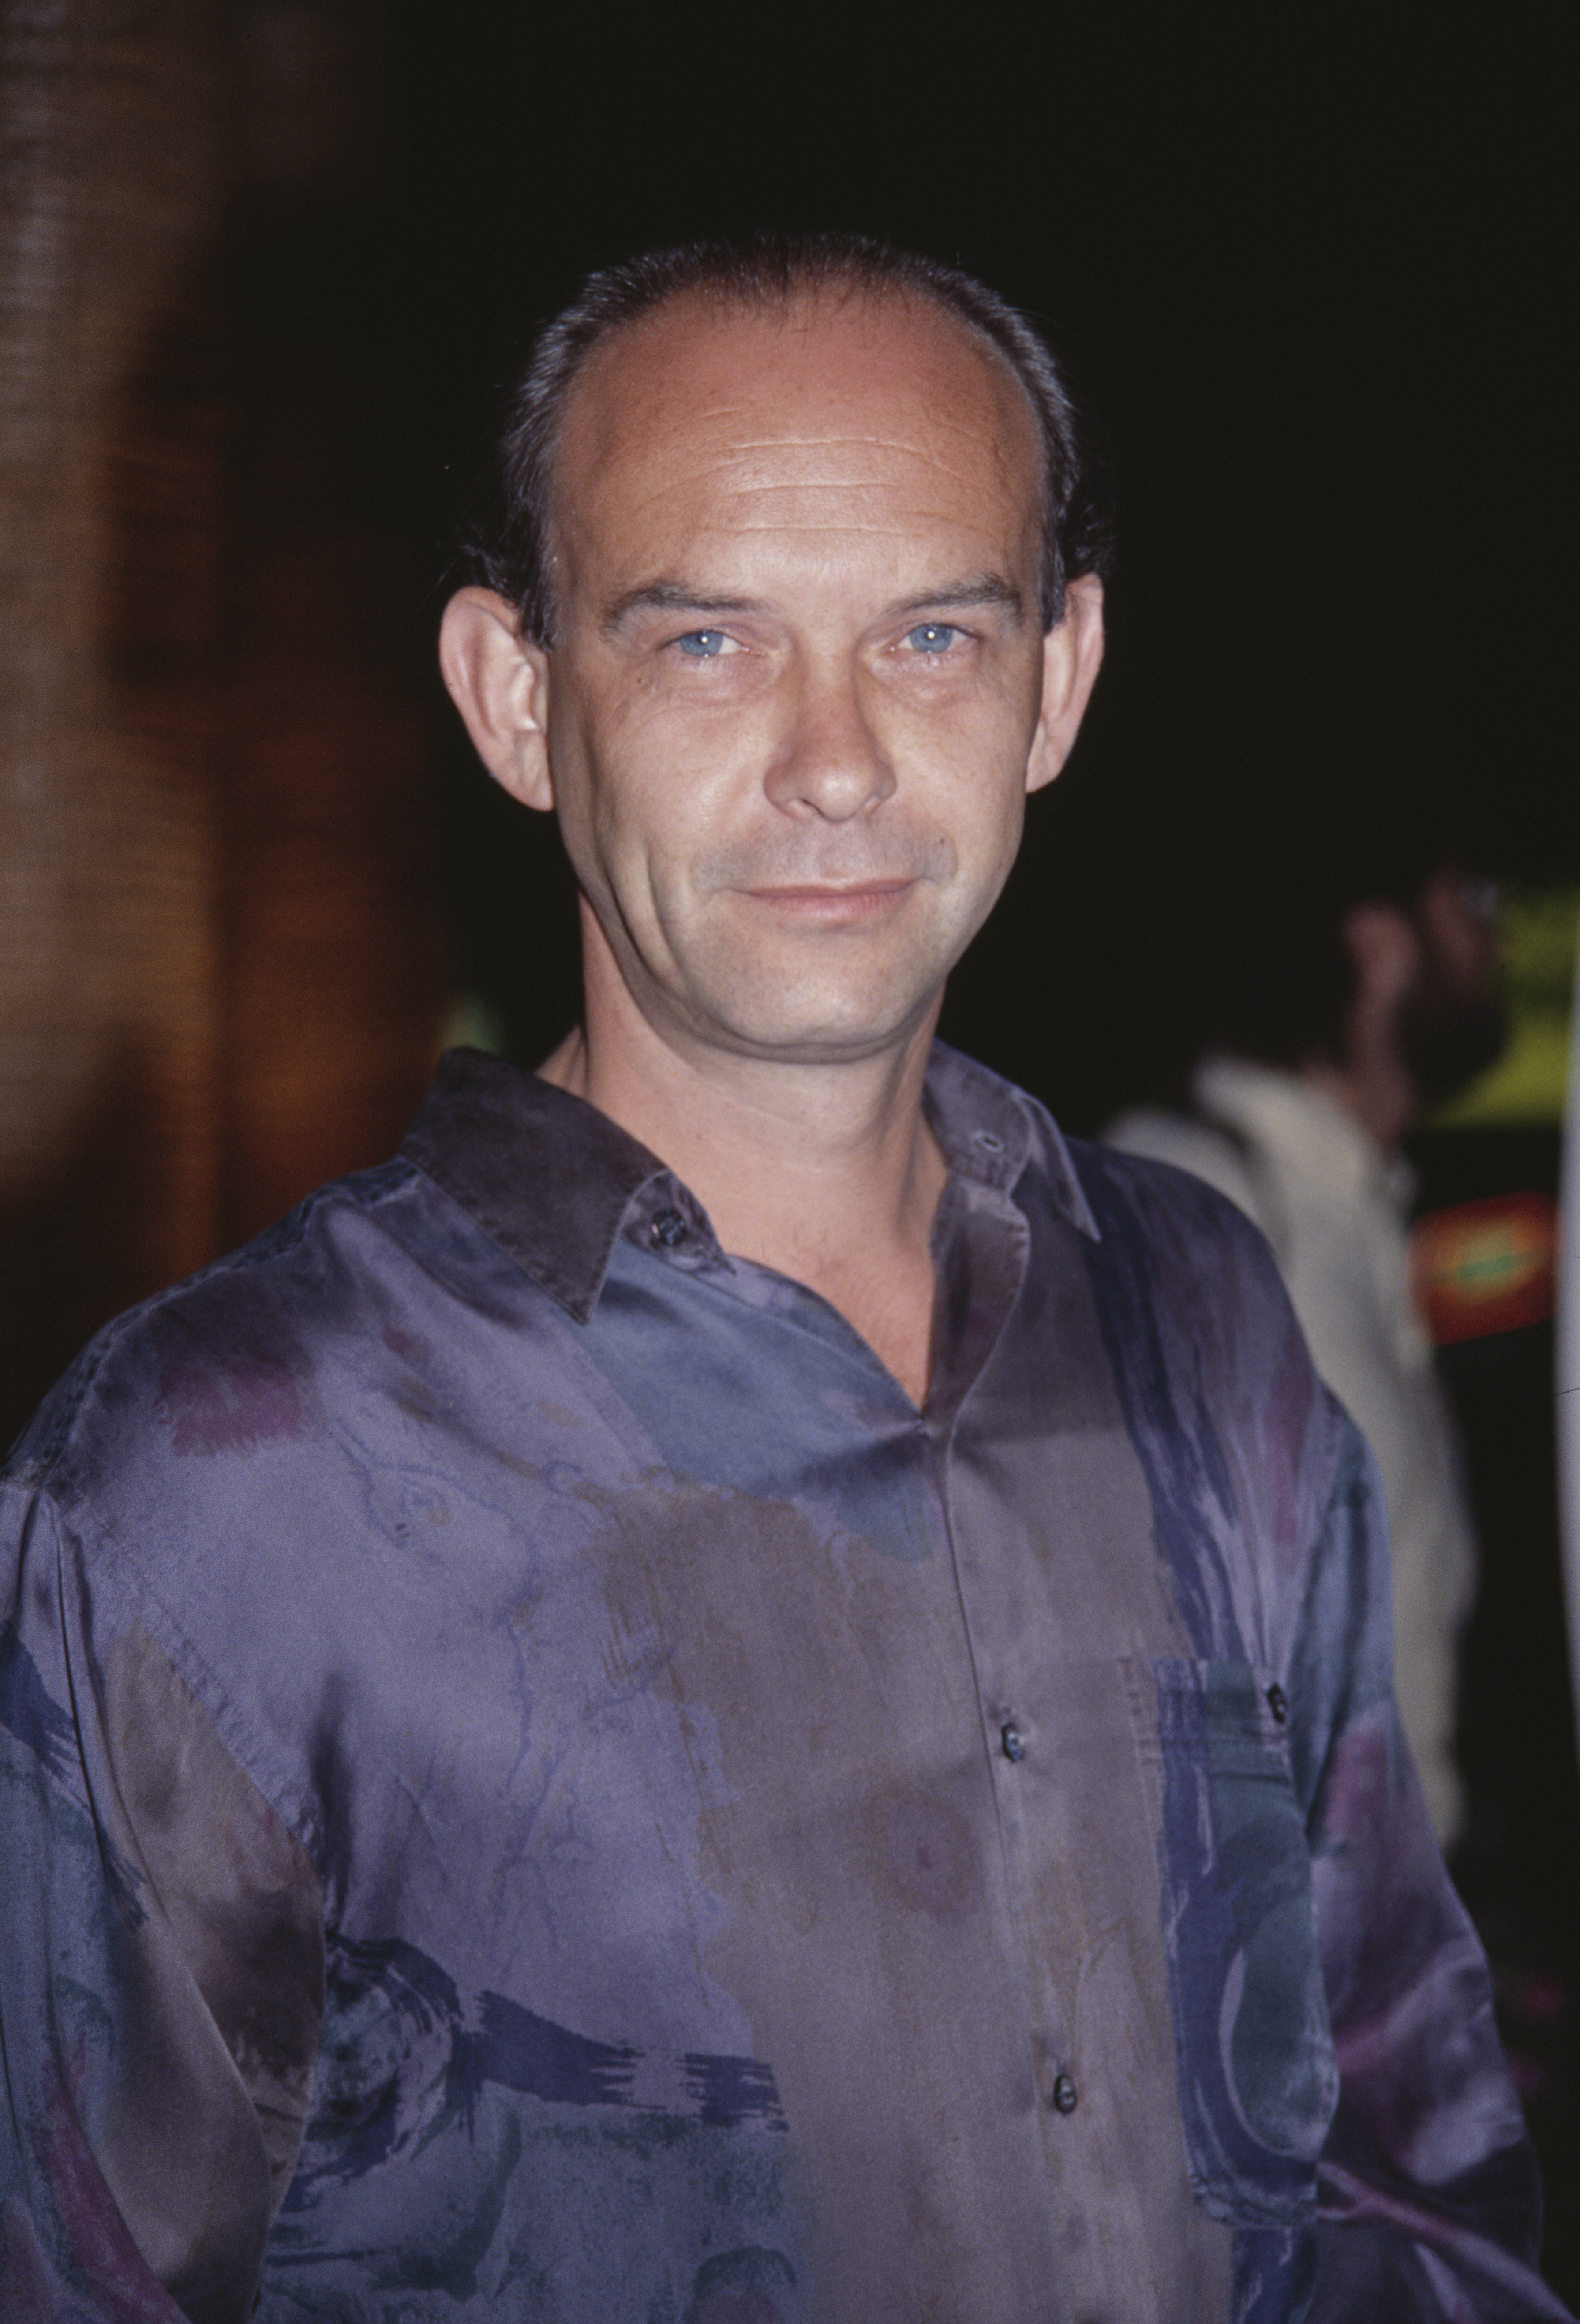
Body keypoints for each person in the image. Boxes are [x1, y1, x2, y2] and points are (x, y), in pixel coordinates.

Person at [0, 235, 1562, 2324]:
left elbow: (1400, 2158)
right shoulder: (208, 1485)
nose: (833, 763)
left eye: (929, 632)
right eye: (708, 642)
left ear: (1056, 681)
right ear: (518, 694)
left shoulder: (1196, 1307)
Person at [1107, 843, 1505, 1849]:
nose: (1495, 939)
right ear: (1378, 944)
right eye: (1472, 897)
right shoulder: (1191, 1189)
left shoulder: (1358, 1226)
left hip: (1396, 1953)